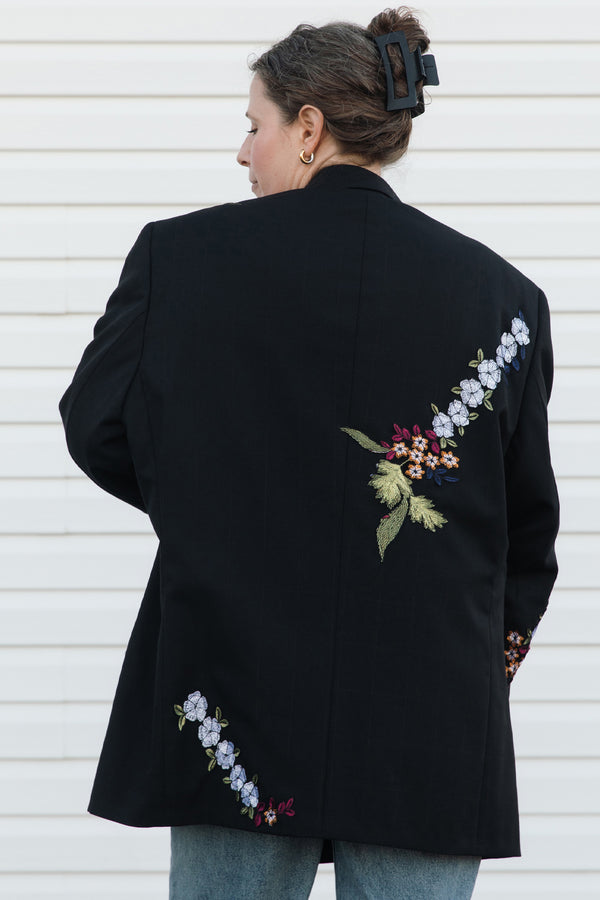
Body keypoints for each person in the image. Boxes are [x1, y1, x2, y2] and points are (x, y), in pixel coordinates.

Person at [59, 6, 559, 899]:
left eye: (254, 125)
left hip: (233, 681)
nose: (242, 152)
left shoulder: (182, 259)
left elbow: (97, 424)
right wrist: (484, 669)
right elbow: (528, 537)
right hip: (430, 714)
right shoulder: (504, 300)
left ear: (310, 129)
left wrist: (220, 509)